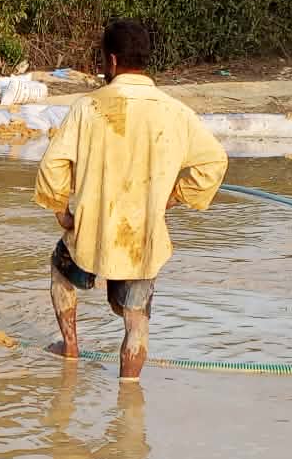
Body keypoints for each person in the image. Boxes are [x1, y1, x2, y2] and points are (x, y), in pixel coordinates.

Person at [33, 19, 227, 379]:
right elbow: (214, 161)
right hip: (144, 235)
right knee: (136, 318)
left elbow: (53, 165)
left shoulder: (88, 107)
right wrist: (173, 198)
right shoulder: (175, 111)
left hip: (91, 229)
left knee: (61, 272)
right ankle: (130, 388)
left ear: (111, 60)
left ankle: (70, 347)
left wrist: (62, 211)